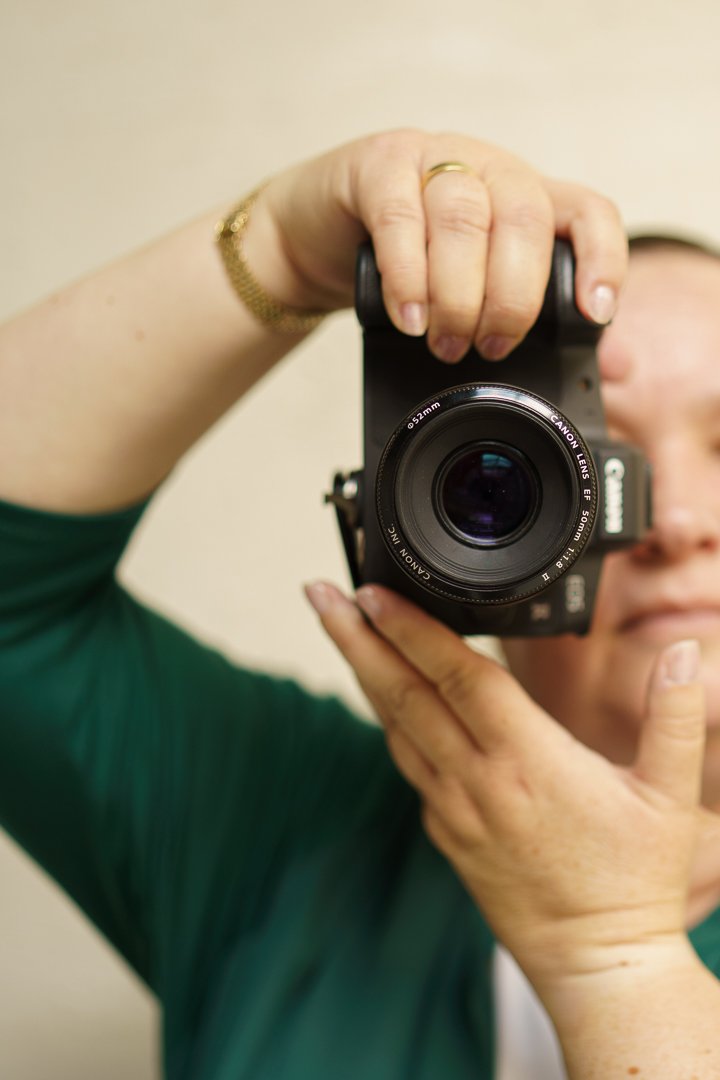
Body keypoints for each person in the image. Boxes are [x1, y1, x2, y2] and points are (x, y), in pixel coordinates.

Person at [0, 129, 718, 1079]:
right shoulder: (286, 833)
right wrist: (281, 255)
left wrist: (613, 954)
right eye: (581, 458)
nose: (675, 519)